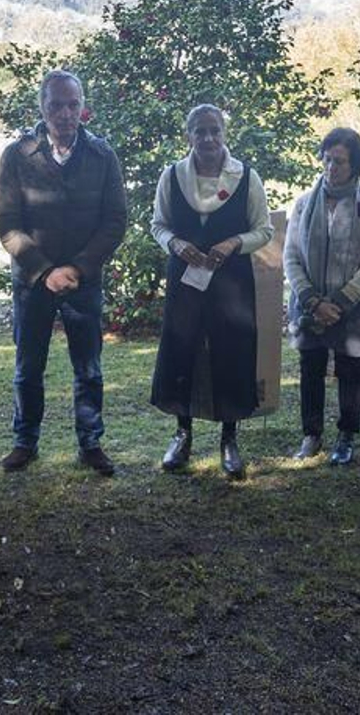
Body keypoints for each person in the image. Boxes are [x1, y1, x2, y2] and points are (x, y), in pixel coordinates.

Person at [0, 71, 126, 476]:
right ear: (42, 107)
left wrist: (77, 269)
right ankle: (24, 442)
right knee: (27, 366)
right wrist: (45, 271)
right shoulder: (17, 156)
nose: (65, 114)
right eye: (56, 105)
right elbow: (8, 223)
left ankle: (90, 443)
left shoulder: (102, 155)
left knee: (88, 367)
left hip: (82, 282)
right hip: (33, 282)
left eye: (72, 105)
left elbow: (115, 221)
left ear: (82, 106)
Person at [150, 104, 274, 478]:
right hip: (185, 280)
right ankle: (182, 435)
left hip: (231, 281)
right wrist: (175, 244)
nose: (208, 138)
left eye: (214, 131)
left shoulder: (246, 177)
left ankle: (229, 439)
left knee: (231, 351)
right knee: (182, 348)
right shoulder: (171, 176)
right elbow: (159, 225)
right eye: (200, 131)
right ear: (188, 136)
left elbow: (264, 230)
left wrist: (234, 242)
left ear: (224, 135)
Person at [285, 127, 360, 465]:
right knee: (310, 367)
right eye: (327, 160)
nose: (331, 168)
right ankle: (311, 434)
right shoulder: (303, 203)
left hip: (352, 306)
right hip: (310, 302)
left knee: (349, 369)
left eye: (339, 162)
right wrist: (313, 301)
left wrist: (340, 303)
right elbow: (291, 257)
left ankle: (346, 436)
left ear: (355, 165)